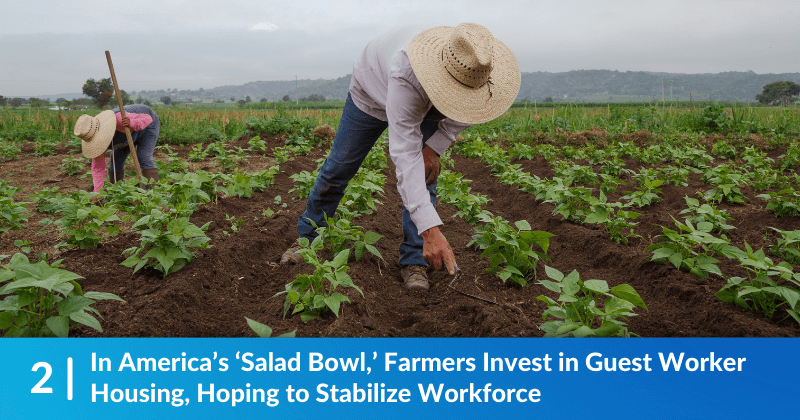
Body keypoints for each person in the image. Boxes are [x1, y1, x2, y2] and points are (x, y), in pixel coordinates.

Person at [281, 23, 520, 291]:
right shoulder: (407, 71)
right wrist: (431, 230)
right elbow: (405, 158)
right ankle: (307, 238)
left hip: (429, 104)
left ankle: (414, 260)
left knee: (426, 176)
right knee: (338, 168)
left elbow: (469, 114)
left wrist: (435, 147)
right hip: (372, 92)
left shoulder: (479, 72)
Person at [73, 104, 161, 193]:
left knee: (143, 156)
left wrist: (131, 123)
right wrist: (97, 193)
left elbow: (148, 118)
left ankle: (152, 193)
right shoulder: (92, 136)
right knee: (116, 159)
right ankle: (116, 191)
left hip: (148, 127)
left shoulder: (118, 118)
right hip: (125, 136)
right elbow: (98, 168)